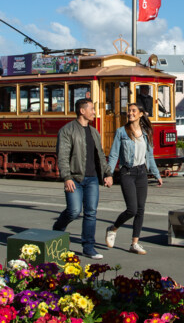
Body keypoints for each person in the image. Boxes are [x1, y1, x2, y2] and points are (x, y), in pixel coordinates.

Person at [52, 98, 113, 259]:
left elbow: (100, 155)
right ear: (82, 111)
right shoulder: (67, 130)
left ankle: (88, 247)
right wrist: (66, 177)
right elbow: (63, 156)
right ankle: (58, 228)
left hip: (92, 178)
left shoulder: (94, 131)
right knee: (74, 211)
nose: (94, 112)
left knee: (91, 213)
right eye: (92, 109)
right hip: (75, 178)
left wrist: (107, 174)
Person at [105, 102, 163, 254]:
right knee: (132, 209)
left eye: (133, 111)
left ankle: (134, 243)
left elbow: (150, 156)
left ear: (141, 114)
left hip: (141, 173)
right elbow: (114, 155)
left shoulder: (147, 132)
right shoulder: (121, 132)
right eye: (128, 111)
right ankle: (113, 229)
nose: (130, 113)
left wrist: (157, 174)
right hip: (127, 173)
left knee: (141, 209)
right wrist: (109, 174)